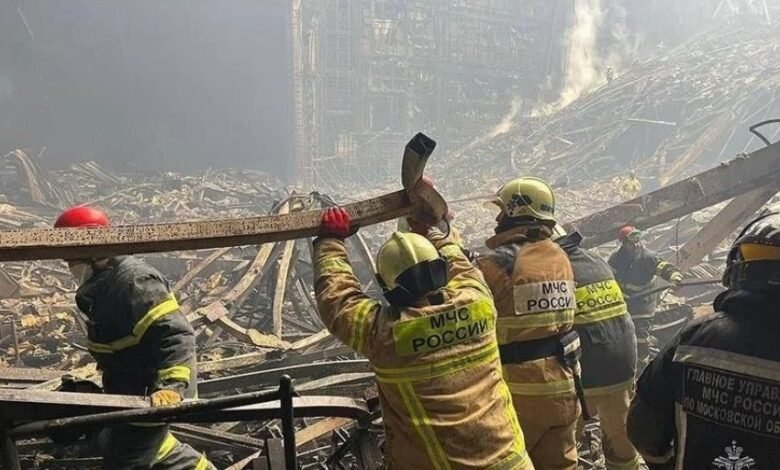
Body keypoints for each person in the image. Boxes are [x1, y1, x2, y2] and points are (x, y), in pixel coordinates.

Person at [313, 206, 533, 469]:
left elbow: (338, 301)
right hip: (511, 462)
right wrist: (429, 231)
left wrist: (330, 241)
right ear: (439, 269)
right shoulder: (478, 300)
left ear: (386, 286)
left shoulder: (384, 333)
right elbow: (460, 263)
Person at [54, 206, 214, 470]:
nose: (70, 266)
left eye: (72, 258)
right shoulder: (102, 287)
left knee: (125, 460)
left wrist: (170, 387)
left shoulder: (135, 283)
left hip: (154, 393)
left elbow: (176, 335)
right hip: (128, 392)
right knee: (150, 448)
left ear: (93, 251)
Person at [627, 209, 780, 469]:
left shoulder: (693, 338)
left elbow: (643, 430)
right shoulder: (623, 258)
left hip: (642, 313)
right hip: (639, 313)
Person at [477, 177, 581, 469]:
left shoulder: (497, 264)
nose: (497, 219)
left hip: (520, 393)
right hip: (565, 386)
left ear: (516, 212)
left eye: (502, 211)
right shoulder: (560, 257)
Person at [553, 226, 640, 470]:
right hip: (622, 365)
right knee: (620, 435)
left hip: (587, 370)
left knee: (562, 442)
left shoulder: (554, 270)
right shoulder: (595, 261)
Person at [608, 226, 682, 372]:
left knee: (640, 335)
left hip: (643, 303)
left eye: (638, 241)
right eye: (632, 242)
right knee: (622, 332)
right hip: (624, 302)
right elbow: (609, 277)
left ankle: (642, 367)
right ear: (624, 244)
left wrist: (674, 276)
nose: (636, 245)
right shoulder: (616, 258)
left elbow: (663, 267)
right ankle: (626, 362)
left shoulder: (648, 257)